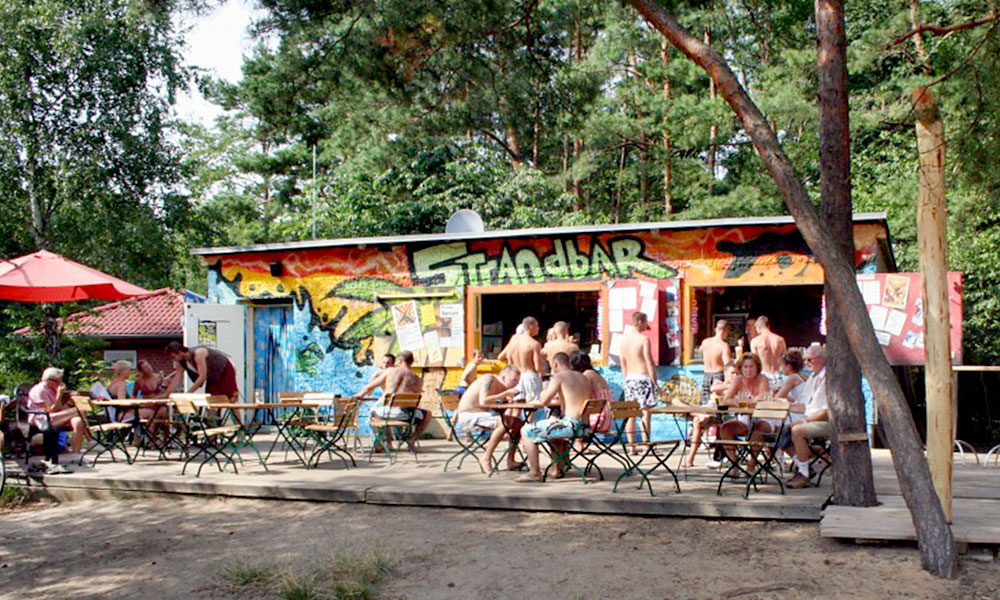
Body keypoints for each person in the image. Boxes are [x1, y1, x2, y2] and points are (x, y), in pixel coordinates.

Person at [516, 352, 592, 483]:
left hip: (571, 425)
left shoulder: (559, 377)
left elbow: (544, 401)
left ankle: (534, 472)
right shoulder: (583, 377)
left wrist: (544, 391)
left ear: (555, 364)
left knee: (526, 430)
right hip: (584, 427)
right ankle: (557, 468)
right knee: (554, 426)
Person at [356, 350, 429, 450]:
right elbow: (417, 399)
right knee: (428, 414)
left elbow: (369, 387)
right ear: (412, 362)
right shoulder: (418, 379)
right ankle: (412, 441)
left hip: (385, 413)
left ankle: (380, 442)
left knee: (374, 412)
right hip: (407, 416)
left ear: (399, 361)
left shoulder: (389, 372)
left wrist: (359, 395)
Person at [786, 344, 830, 489]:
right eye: (805, 360)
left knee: (797, 430)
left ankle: (804, 474)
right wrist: (785, 407)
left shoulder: (828, 378)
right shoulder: (812, 377)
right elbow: (805, 405)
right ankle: (810, 459)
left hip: (828, 422)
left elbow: (825, 412)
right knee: (780, 427)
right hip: (812, 418)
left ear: (821, 359)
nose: (806, 363)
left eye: (809, 360)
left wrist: (803, 421)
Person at [26, 367, 86, 473]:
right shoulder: (40, 390)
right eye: (58, 381)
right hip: (41, 420)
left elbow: (59, 409)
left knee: (78, 420)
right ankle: (91, 440)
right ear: (49, 380)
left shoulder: (51, 389)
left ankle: (76, 454)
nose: (60, 383)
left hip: (52, 418)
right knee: (79, 410)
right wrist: (59, 395)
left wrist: (69, 402)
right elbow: (50, 411)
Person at [717, 353, 772, 465]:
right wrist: (741, 403)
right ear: (741, 368)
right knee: (725, 428)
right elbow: (726, 400)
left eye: (751, 366)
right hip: (744, 419)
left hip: (763, 419)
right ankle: (734, 464)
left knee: (758, 429)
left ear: (757, 367)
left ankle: (752, 465)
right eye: (745, 367)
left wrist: (742, 401)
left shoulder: (762, 379)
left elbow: (762, 400)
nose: (748, 370)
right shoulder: (738, 380)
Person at [683, 361, 737, 468]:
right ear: (725, 373)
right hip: (709, 408)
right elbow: (713, 388)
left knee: (697, 422)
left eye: (737, 373)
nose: (735, 376)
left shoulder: (737, 386)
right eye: (732, 373)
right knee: (676, 400)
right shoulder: (720, 383)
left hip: (721, 414)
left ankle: (690, 459)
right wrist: (728, 385)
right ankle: (698, 414)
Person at [620, 311, 659, 454]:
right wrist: (655, 382)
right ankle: (646, 444)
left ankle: (632, 446)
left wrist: (626, 380)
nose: (647, 325)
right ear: (640, 322)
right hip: (643, 377)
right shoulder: (643, 339)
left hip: (630, 378)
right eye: (645, 322)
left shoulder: (624, 341)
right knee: (645, 414)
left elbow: (623, 364)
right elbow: (649, 362)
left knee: (631, 414)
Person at [164, 342, 240, 401]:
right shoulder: (182, 362)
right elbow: (177, 378)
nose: (174, 360)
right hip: (212, 375)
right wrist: (167, 394)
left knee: (231, 398)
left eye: (174, 357)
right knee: (211, 399)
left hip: (224, 369)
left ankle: (238, 421)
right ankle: (211, 420)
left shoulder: (198, 354)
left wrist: (188, 393)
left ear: (180, 352)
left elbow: (202, 377)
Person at [497, 316, 544, 403]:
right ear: (531, 326)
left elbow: (508, 358)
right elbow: (538, 367)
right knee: (532, 405)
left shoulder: (513, 340)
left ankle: (512, 417)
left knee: (514, 404)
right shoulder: (534, 344)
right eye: (537, 326)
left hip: (515, 375)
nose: (538, 328)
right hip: (530, 375)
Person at [749, 316, 787, 390]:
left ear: (759, 327)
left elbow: (754, 361)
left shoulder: (755, 341)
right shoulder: (780, 340)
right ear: (768, 326)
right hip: (777, 374)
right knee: (778, 400)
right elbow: (785, 358)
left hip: (764, 374)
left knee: (764, 399)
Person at [700, 319, 732, 404]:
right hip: (718, 375)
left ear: (716, 329)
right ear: (725, 331)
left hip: (706, 374)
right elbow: (727, 365)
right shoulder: (724, 346)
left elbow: (701, 353)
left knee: (706, 402)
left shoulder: (705, 342)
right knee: (718, 403)